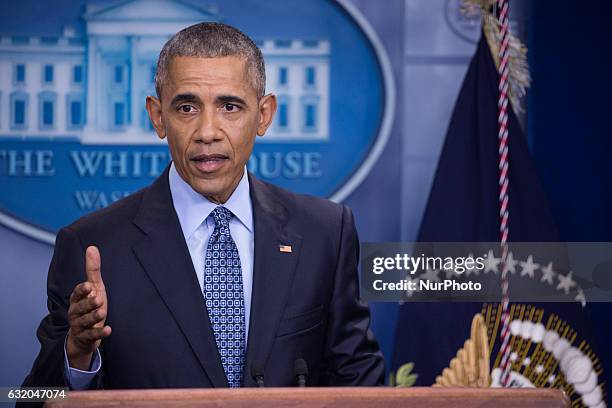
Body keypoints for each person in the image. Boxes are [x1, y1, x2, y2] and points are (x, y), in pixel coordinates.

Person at [22, 22, 384, 390]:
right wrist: (78, 353)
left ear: (263, 115)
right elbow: (35, 397)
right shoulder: (91, 246)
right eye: (187, 107)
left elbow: (358, 378)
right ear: (158, 116)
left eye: (229, 106)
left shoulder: (324, 231)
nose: (207, 131)